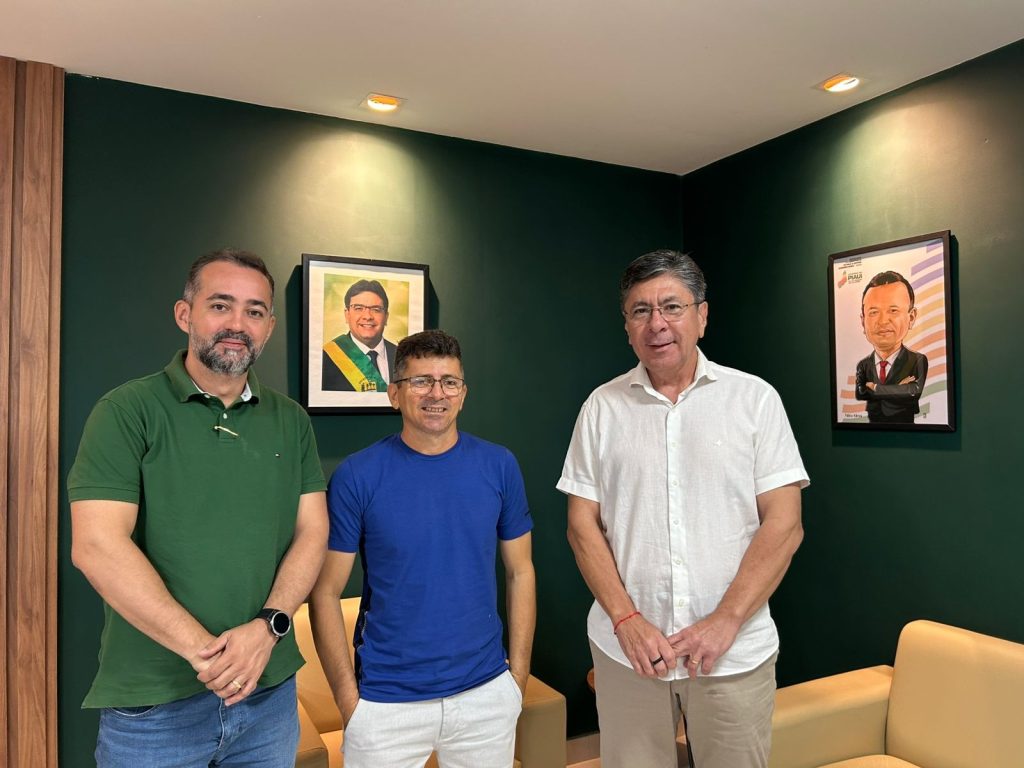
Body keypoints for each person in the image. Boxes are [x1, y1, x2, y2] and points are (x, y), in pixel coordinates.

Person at [68, 248, 329, 768]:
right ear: (185, 314)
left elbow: (313, 531)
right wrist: (208, 656)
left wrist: (269, 627)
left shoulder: (291, 420)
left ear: (269, 327)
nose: (238, 324)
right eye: (220, 305)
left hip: (269, 697)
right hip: (155, 706)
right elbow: (97, 546)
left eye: (255, 311)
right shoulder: (126, 410)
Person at [558, 249, 809, 768]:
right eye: (640, 311)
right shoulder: (601, 408)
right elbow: (582, 526)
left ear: (702, 316)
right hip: (628, 653)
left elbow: (785, 524)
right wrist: (626, 619)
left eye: (672, 307)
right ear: (626, 326)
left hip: (733, 653)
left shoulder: (755, 400)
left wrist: (726, 619)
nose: (657, 324)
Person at [310, 329, 535, 768]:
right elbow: (325, 592)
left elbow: (520, 571)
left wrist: (517, 680)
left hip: (485, 693)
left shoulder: (499, 465)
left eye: (449, 381)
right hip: (386, 701)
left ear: (463, 394)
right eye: (420, 381)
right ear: (394, 394)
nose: (437, 393)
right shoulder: (357, 476)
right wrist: (350, 704)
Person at [854, 270, 928, 424]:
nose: (882, 321)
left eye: (893, 311)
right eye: (874, 312)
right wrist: (898, 388)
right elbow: (860, 393)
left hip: (909, 432)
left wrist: (875, 387)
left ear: (911, 317)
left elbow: (913, 391)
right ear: (862, 321)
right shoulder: (863, 365)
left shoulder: (917, 360)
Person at [322, 279, 398, 392]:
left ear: (386, 317)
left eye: (376, 310)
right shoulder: (326, 358)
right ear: (347, 314)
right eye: (358, 308)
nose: (367, 316)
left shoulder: (402, 356)